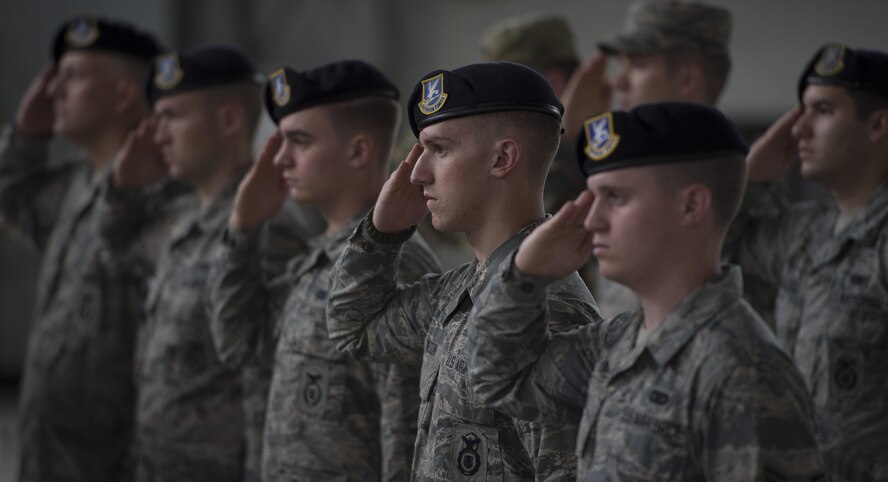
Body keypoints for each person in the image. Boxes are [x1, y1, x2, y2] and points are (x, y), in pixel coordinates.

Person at [467, 102, 826, 480]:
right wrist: (524, 276)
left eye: (616, 198)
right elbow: (498, 380)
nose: (592, 220)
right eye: (594, 198)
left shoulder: (743, 372)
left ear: (691, 205)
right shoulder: (619, 343)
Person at [326, 61, 600, 480]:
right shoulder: (458, 289)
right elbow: (353, 331)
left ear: (503, 158)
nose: (417, 173)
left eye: (440, 149)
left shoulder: (551, 311)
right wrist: (380, 236)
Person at [208, 60, 440, 481]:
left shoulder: (392, 263)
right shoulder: (319, 257)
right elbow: (239, 344)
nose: (280, 158)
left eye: (299, 141)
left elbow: (406, 432)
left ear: (358, 150)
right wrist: (243, 229)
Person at [103, 44, 318, 480]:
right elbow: (115, 253)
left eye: (173, 117)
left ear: (229, 120)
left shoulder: (266, 226)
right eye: (156, 116)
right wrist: (123, 190)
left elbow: (269, 379)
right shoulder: (182, 220)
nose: (157, 133)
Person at [0, 17, 162, 480]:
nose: (54, 91)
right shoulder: (75, 186)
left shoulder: (158, 197)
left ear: (124, 94)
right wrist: (27, 135)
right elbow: (11, 201)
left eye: (73, 77)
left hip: (113, 460)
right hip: (50, 456)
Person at [723, 43, 888, 480]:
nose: (800, 128)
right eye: (801, 112)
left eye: (823, 111)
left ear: (878, 124)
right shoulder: (803, 232)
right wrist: (751, 176)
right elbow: (714, 256)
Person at [559, 0, 735, 319]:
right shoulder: (626, 173)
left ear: (687, 79)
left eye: (637, 65)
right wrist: (569, 144)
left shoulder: (732, 195)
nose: (618, 82)